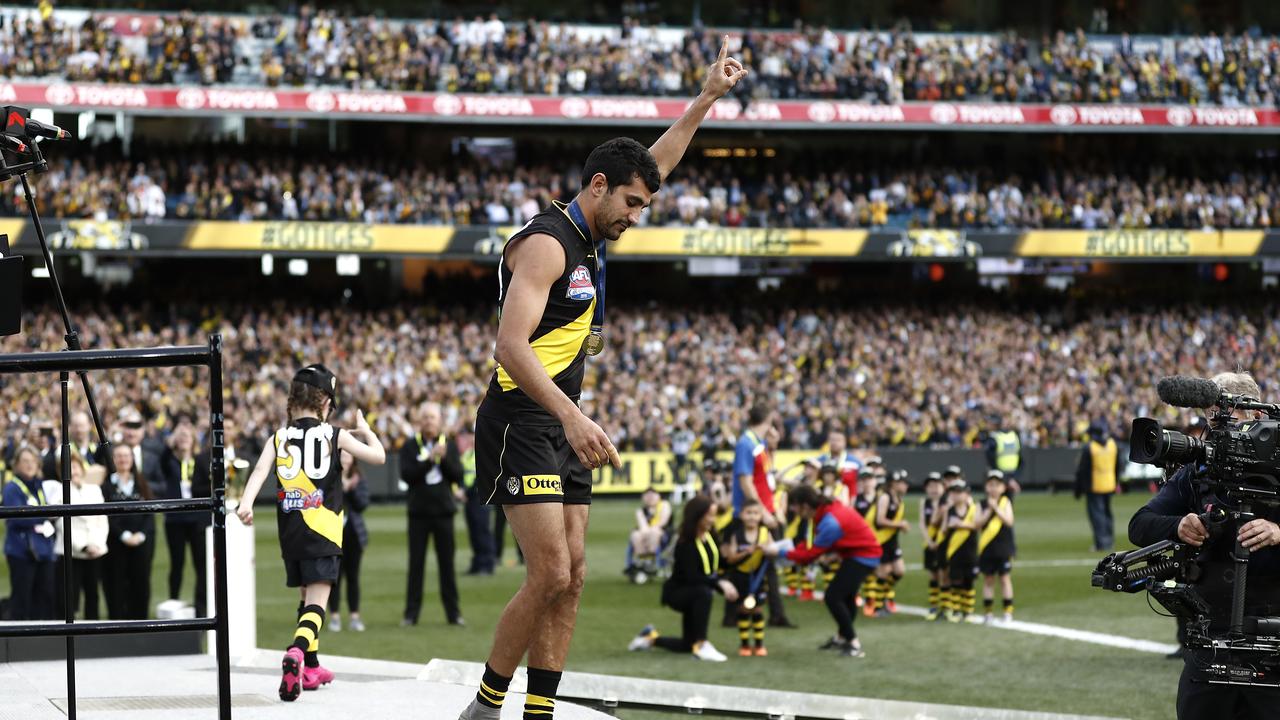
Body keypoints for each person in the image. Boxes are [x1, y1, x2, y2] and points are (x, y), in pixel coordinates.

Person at [460, 38, 746, 720]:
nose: (637, 216)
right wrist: (571, 416)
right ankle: (484, 708)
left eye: (643, 205)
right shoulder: (546, 244)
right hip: (524, 419)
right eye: (633, 204)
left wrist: (704, 99)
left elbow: (657, 163)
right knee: (550, 572)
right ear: (596, 187)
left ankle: (539, 712)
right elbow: (508, 346)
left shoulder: (590, 231)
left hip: (561, 420)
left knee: (576, 576)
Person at [1128, 371, 1280, 719]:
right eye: (1211, 418)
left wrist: (1277, 530)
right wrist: (1179, 525)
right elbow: (1140, 524)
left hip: (1273, 634)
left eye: (1223, 417)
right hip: (1211, 637)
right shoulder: (1200, 470)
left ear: (1256, 415)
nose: (1215, 428)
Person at [236, 364, 386, 702]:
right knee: (318, 603)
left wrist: (245, 503)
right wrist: (364, 430)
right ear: (326, 403)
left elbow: (260, 470)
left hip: (290, 532)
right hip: (324, 530)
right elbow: (379, 457)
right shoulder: (335, 435)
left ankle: (313, 667)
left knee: (304, 598)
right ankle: (297, 653)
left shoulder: (279, 436)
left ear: (292, 401)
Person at [626, 495, 736, 662]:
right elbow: (692, 576)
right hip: (678, 593)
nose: (713, 519)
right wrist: (720, 584)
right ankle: (702, 644)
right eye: (710, 515)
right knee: (704, 593)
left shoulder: (711, 536)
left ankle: (649, 639)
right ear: (697, 516)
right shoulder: (685, 542)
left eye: (714, 515)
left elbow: (720, 563)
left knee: (686, 645)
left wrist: (739, 556)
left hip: (695, 591)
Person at [784, 484, 881, 657]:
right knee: (846, 596)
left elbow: (809, 556)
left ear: (805, 506)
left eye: (794, 505)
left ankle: (853, 643)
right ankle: (843, 638)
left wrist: (780, 552)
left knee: (833, 596)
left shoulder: (830, 521)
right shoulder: (826, 511)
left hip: (863, 556)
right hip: (857, 554)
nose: (792, 509)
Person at [400, 402, 465, 626]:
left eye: (432, 417)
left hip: (444, 513)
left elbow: (458, 476)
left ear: (440, 421)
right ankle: (411, 615)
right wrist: (430, 459)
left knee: (447, 565)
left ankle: (454, 614)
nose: (429, 421)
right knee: (415, 565)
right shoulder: (410, 445)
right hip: (418, 513)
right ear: (419, 421)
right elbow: (407, 476)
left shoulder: (450, 445)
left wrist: (443, 458)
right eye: (425, 417)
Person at [102, 444, 156, 620]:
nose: (123, 459)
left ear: (132, 459)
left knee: (140, 582)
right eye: (119, 456)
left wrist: (140, 535)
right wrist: (123, 535)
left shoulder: (142, 482)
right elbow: (107, 516)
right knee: (116, 583)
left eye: (126, 456)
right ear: (113, 460)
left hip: (141, 543)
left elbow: (150, 514)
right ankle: (117, 623)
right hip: (116, 543)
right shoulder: (107, 485)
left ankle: (140, 622)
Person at [3, 446, 57, 620]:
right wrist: (44, 516)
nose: (30, 465)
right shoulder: (12, 487)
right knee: (22, 599)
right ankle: (21, 641)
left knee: (45, 596)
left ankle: (43, 640)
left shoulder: (39, 484)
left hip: (44, 550)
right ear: (16, 464)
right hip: (21, 551)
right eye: (25, 461)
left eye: (33, 461)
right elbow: (15, 517)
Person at [161, 424, 210, 616]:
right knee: (177, 562)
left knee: (201, 563)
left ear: (193, 440)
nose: (184, 440)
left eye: (187, 436)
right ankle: (173, 601)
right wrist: (170, 443)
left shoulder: (200, 460)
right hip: (175, 518)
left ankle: (202, 605)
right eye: (180, 437)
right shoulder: (170, 460)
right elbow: (163, 460)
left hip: (197, 518)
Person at [59, 452, 108, 620]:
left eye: (76, 466)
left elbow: (102, 519)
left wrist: (97, 544)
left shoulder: (94, 489)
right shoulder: (60, 491)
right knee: (70, 598)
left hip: (95, 551)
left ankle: (92, 633)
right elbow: (62, 523)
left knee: (93, 594)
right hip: (72, 552)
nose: (74, 471)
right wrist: (83, 546)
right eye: (70, 468)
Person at [722, 498, 771, 656]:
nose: (752, 516)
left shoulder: (765, 533)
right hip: (740, 577)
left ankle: (759, 644)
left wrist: (766, 550)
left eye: (755, 513)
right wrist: (747, 552)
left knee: (757, 610)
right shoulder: (737, 535)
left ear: (761, 516)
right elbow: (730, 558)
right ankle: (744, 645)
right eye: (748, 513)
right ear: (742, 515)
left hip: (758, 578)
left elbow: (774, 550)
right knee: (742, 610)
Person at [328, 449, 369, 633]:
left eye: (348, 455)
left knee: (353, 577)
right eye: (341, 455)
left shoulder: (358, 479)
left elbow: (363, 504)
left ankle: (354, 616)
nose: (345, 458)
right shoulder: (328, 478)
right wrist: (341, 487)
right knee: (334, 577)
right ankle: (334, 617)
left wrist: (350, 490)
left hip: (353, 535)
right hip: (332, 533)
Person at [977, 470, 1016, 624]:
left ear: (1003, 487)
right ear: (986, 487)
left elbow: (1009, 521)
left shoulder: (1006, 502)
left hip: (1003, 547)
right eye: (991, 485)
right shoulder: (981, 504)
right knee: (988, 580)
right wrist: (988, 511)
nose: (994, 488)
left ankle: (1008, 612)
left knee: (1005, 579)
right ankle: (988, 612)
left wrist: (996, 509)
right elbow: (976, 523)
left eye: (997, 485)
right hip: (987, 548)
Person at [870, 469, 911, 616]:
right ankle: (878, 606)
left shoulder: (898, 499)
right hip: (882, 539)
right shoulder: (885, 497)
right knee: (884, 572)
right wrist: (899, 524)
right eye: (902, 483)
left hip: (892, 541)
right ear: (894, 483)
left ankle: (885, 597)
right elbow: (879, 520)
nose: (906, 486)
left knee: (899, 571)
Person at [1075, 420, 1120, 552]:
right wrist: (1115, 482)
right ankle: (1109, 540)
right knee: (1107, 514)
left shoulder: (1090, 447)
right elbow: (1118, 466)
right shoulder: (1112, 444)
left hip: (1095, 486)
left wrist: (1078, 489)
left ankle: (1102, 543)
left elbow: (1082, 470)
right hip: (1109, 484)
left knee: (1097, 516)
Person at [457, 428, 496, 577]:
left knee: (482, 531)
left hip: (480, 497)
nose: (470, 439)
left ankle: (487, 564)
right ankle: (477, 563)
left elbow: (479, 478)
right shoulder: (467, 455)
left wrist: (464, 491)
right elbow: (462, 474)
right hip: (469, 498)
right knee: (474, 532)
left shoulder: (483, 454)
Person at [732, 404, 778, 526]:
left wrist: (773, 447)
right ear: (769, 419)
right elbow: (745, 483)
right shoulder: (745, 444)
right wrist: (763, 513)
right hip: (752, 515)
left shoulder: (760, 442)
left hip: (764, 510)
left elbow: (767, 473)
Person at [943, 479, 980, 622]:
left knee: (969, 581)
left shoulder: (973, 508)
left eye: (960, 492)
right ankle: (956, 609)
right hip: (954, 550)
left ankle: (968, 610)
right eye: (954, 492)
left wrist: (960, 524)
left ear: (966, 494)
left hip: (970, 550)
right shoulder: (949, 510)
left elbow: (977, 525)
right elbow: (945, 529)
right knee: (956, 580)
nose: (957, 495)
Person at [626, 486, 671, 582]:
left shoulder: (664, 505)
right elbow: (642, 526)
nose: (650, 497)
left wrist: (650, 530)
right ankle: (644, 560)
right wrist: (646, 532)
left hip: (662, 534)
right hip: (645, 535)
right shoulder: (641, 511)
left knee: (654, 533)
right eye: (647, 495)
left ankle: (650, 561)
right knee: (635, 535)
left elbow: (663, 522)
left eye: (652, 495)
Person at [920, 471, 947, 621]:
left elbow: (943, 524)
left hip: (942, 543)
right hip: (929, 543)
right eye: (930, 486)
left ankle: (945, 605)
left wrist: (939, 541)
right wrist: (928, 541)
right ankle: (934, 605)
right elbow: (923, 524)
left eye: (937, 485)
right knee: (933, 575)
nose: (934, 489)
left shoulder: (946, 503)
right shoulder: (924, 503)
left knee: (944, 575)